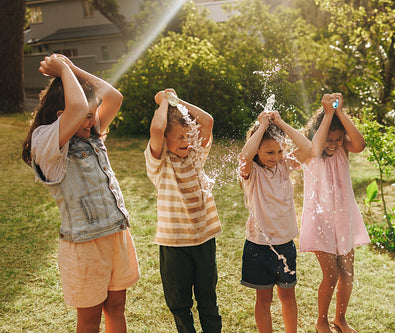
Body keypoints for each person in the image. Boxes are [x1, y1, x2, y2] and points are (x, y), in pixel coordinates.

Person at [21, 54, 140, 333]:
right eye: (87, 116)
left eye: (92, 115)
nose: (92, 121)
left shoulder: (91, 134)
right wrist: (62, 69)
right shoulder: (47, 142)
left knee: (116, 309)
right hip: (86, 246)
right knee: (90, 321)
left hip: (115, 234)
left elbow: (113, 96)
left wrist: (72, 69)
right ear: (62, 115)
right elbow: (76, 107)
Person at [144, 88, 222, 333]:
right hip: (174, 244)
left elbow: (207, 121)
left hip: (204, 240)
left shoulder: (196, 155)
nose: (186, 142)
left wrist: (175, 101)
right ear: (165, 141)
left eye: (188, 135)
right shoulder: (160, 164)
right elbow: (157, 129)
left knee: (208, 299)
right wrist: (164, 103)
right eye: (178, 137)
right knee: (180, 304)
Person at [300, 93, 370, 333]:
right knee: (330, 274)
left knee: (347, 273)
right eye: (329, 138)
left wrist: (339, 112)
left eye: (338, 139)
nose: (333, 144)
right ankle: (321, 320)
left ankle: (340, 319)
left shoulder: (343, 149)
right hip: (320, 219)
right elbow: (317, 147)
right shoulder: (310, 150)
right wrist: (328, 114)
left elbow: (360, 144)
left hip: (344, 217)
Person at [239, 109, 311, 333]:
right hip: (258, 246)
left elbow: (308, 148)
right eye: (270, 152)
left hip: (285, 244)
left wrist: (280, 123)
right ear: (257, 148)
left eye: (280, 151)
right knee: (264, 300)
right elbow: (244, 156)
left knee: (288, 296)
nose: (277, 156)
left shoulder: (284, 166)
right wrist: (261, 127)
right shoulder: (250, 173)